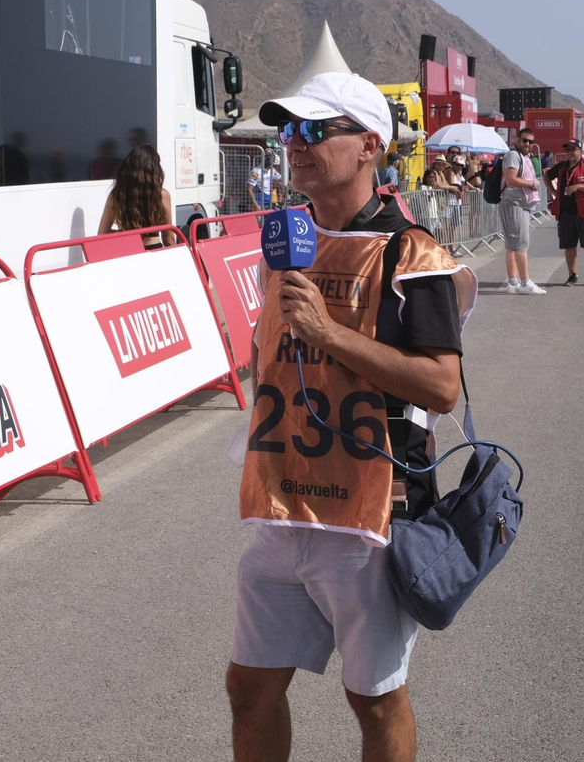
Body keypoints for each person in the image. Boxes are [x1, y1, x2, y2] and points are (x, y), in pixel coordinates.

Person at [234, 71, 476, 762]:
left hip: (372, 516)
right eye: (289, 130)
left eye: (315, 130)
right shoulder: (284, 242)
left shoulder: (412, 252)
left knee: (374, 702)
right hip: (284, 504)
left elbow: (442, 387)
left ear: (370, 145)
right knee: (249, 689)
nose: (295, 144)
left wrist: (330, 334)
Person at [98, 143, 177, 247]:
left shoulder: (117, 194)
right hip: (153, 250)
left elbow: (102, 233)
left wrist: (128, 234)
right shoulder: (162, 195)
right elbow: (168, 238)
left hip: (129, 250)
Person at [547, 140, 584, 287]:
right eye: (568, 150)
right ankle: (572, 275)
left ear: (580, 151)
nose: (570, 152)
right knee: (569, 246)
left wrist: (578, 187)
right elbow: (547, 176)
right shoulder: (562, 166)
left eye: (573, 149)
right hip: (565, 214)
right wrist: (554, 192)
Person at [500, 129, 546, 295]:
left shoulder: (523, 156)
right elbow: (511, 179)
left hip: (519, 204)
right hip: (514, 204)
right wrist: (531, 183)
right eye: (525, 140)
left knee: (513, 245)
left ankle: (513, 282)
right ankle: (525, 282)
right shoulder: (514, 155)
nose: (527, 144)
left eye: (530, 141)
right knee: (520, 244)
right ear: (517, 140)